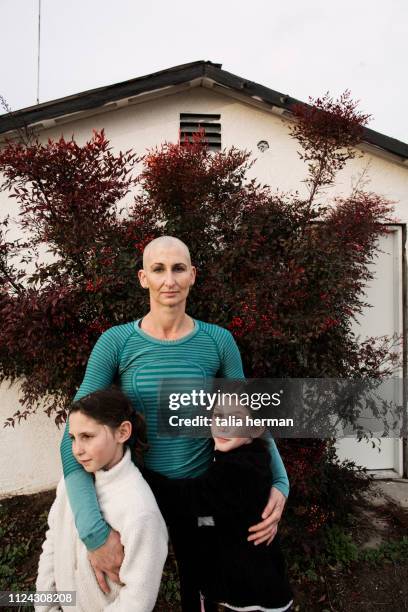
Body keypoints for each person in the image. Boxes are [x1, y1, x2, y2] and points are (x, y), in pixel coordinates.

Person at [59, 235, 290, 611]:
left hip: (201, 495)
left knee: (207, 593)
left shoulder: (218, 341)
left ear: (193, 275)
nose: (170, 279)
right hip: (138, 493)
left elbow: (248, 415)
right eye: (158, 269)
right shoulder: (115, 343)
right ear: (142, 278)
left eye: (179, 268)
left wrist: (279, 482)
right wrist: (93, 532)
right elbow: (73, 433)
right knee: (116, 597)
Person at [143, 394, 294, 612]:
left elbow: (188, 498)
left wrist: (140, 473)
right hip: (249, 580)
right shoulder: (247, 456)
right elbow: (221, 514)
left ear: (255, 429)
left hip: (253, 595)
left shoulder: (240, 469)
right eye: (218, 416)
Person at [36, 387, 168, 612]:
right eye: (72, 438)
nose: (76, 450)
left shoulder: (140, 510)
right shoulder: (70, 484)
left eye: (87, 436)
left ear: (122, 432)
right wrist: (46, 606)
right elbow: (53, 542)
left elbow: (137, 600)